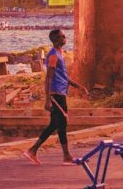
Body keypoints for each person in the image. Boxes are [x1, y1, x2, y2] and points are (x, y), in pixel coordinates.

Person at [23, 28, 86, 165]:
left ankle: (34, 150)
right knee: (61, 123)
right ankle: (64, 156)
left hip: (61, 93)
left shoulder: (60, 54)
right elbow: (48, 79)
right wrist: (47, 99)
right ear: (56, 40)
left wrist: (79, 87)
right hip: (55, 94)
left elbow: (64, 77)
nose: (65, 38)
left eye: (64, 36)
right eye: (62, 37)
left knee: (56, 124)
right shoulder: (53, 56)